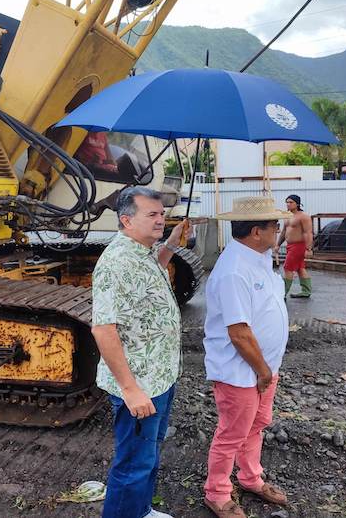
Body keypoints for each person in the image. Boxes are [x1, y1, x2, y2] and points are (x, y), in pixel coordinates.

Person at [91, 186, 189, 518]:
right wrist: (131, 390)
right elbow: (104, 329)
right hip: (140, 385)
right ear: (126, 220)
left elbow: (151, 275)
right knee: (133, 464)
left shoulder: (143, 250)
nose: (161, 219)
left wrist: (172, 245)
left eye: (162, 214)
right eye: (152, 214)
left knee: (148, 456)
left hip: (159, 377)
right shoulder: (116, 262)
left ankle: (141, 511)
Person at [202, 196, 291, 518]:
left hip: (263, 368)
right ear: (257, 231)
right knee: (232, 433)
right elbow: (238, 332)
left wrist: (267, 369)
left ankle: (251, 478)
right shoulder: (234, 270)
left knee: (256, 425)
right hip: (241, 371)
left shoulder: (259, 258)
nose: (278, 230)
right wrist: (263, 371)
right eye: (274, 226)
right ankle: (217, 492)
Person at [276, 194, 313, 298]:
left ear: (297, 204)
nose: (288, 204)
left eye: (291, 202)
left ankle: (282, 294)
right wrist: (278, 245)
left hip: (299, 246)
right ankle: (306, 291)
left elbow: (308, 233)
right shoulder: (287, 216)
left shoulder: (303, 216)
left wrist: (308, 248)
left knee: (287, 268)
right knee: (300, 268)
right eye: (287, 202)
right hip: (290, 246)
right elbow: (284, 232)